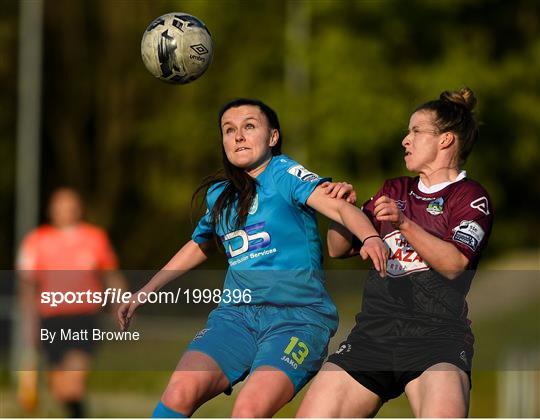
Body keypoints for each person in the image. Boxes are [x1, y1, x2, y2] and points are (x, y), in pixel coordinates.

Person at [117, 98, 388, 418]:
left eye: (249, 126)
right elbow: (199, 244)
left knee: (248, 410)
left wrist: (370, 236)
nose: (238, 136)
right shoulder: (219, 194)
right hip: (235, 318)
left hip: (297, 320)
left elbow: (340, 206)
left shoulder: (285, 172)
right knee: (179, 392)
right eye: (229, 130)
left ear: (273, 137)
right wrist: (147, 289)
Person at [297, 87, 494, 418]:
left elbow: (455, 264)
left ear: (445, 140)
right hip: (373, 335)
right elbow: (337, 247)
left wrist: (404, 224)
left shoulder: (470, 197)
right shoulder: (393, 189)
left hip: (436, 340)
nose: (406, 139)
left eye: (416, 131)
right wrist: (344, 213)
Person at [17, 187, 125, 417]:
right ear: (51, 210)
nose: (65, 211)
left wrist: (122, 304)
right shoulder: (36, 241)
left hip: (84, 318)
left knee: (74, 382)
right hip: (51, 320)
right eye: (60, 206)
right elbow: (27, 286)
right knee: (61, 389)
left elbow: (111, 276)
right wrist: (29, 322)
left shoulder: (94, 238)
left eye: (70, 206)